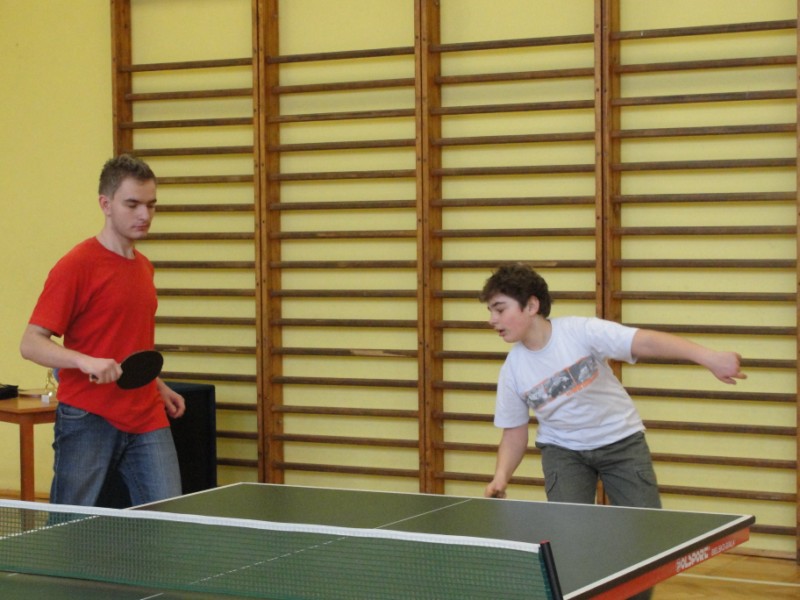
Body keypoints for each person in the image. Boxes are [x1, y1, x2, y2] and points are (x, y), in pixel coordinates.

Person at [479, 264, 745, 598]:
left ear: (531, 306)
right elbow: (514, 434)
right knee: (569, 541)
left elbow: (643, 342)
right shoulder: (513, 370)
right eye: (490, 311)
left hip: (621, 442)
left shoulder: (580, 331)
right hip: (564, 453)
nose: (492, 320)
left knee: (645, 538)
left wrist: (709, 357)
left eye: (499, 309)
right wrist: (501, 477)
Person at [20, 154, 184, 507]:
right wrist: (84, 361)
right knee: (70, 527)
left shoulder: (144, 268)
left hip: (146, 415)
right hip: (87, 417)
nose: (144, 215)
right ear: (105, 204)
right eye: (132, 204)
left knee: (171, 520)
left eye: (151, 205)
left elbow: (126, 341)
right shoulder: (76, 265)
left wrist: (158, 385)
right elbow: (31, 343)